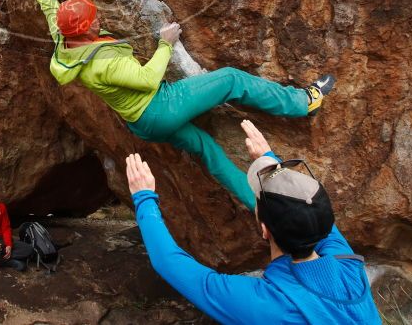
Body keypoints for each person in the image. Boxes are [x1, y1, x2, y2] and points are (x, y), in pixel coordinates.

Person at [9, 0, 335, 208]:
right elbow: (148, 79)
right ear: (84, 29)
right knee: (232, 79)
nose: (98, 19)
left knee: (207, 149)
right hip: (160, 107)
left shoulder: (63, 40)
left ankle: (259, 205)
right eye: (93, 19)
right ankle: (303, 102)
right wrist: (166, 43)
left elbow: (46, 0)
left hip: (141, 125)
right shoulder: (101, 64)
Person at [125, 120, 381, 324]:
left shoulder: (271, 306)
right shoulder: (349, 268)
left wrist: (144, 197)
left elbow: (169, 263)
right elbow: (307, 211)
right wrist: (269, 160)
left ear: (264, 229)